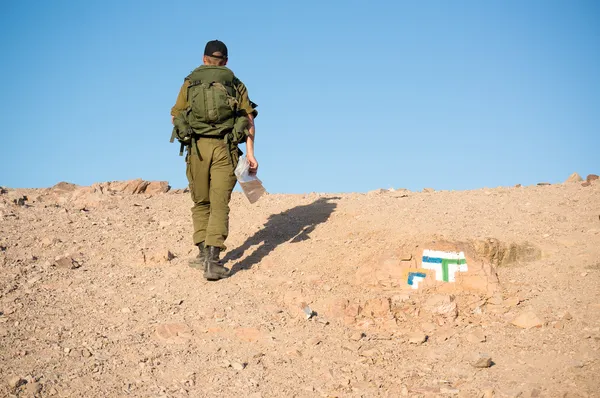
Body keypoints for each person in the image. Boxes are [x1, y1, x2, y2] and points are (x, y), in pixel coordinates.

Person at [170, 40, 258, 281]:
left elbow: (175, 115)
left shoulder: (190, 82)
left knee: (201, 201)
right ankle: (213, 260)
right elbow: (248, 119)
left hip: (197, 148)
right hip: (224, 148)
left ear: (204, 58)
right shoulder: (234, 83)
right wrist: (250, 154)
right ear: (226, 61)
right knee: (220, 203)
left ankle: (201, 253)